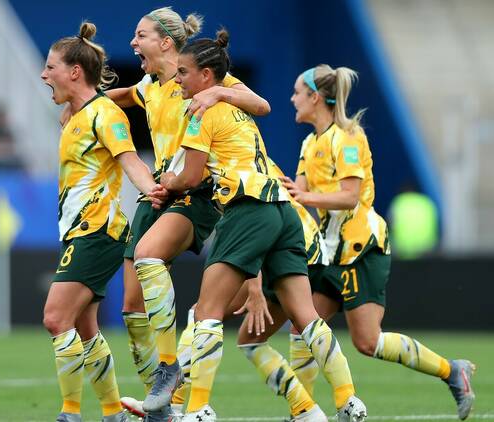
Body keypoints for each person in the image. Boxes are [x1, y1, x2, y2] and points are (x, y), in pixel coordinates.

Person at [160, 32, 366, 422]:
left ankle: (198, 408)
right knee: (306, 316)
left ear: (206, 75)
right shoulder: (237, 107)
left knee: (206, 313)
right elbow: (262, 106)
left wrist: (164, 184)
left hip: (249, 210)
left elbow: (189, 177)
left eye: (184, 72)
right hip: (284, 213)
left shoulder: (201, 112)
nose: (178, 80)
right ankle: (346, 400)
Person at [280, 64, 476, 420]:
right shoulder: (310, 143)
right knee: (302, 326)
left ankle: (452, 371)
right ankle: (302, 411)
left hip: (360, 248)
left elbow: (349, 196)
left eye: (296, 92)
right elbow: (300, 195)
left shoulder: (349, 137)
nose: (292, 99)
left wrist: (303, 198)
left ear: (314, 98)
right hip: (328, 249)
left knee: (367, 342)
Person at [104, 7, 271, 419]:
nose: (132, 43)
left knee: (148, 256)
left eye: (139, 35)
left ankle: (169, 371)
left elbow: (260, 104)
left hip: (194, 191)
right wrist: (85, 104)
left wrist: (219, 93)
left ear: (164, 41)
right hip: (158, 192)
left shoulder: (200, 75)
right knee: (130, 307)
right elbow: (122, 96)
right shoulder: (150, 86)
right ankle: (161, 405)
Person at [40, 22, 167, 422]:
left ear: (74, 71)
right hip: (79, 230)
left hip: (99, 230)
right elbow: (90, 104)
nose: (44, 75)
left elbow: (129, 158)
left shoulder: (105, 115)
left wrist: (151, 189)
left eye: (51, 67)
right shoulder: (74, 115)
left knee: (54, 318)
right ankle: (113, 413)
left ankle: (70, 413)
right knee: (84, 326)